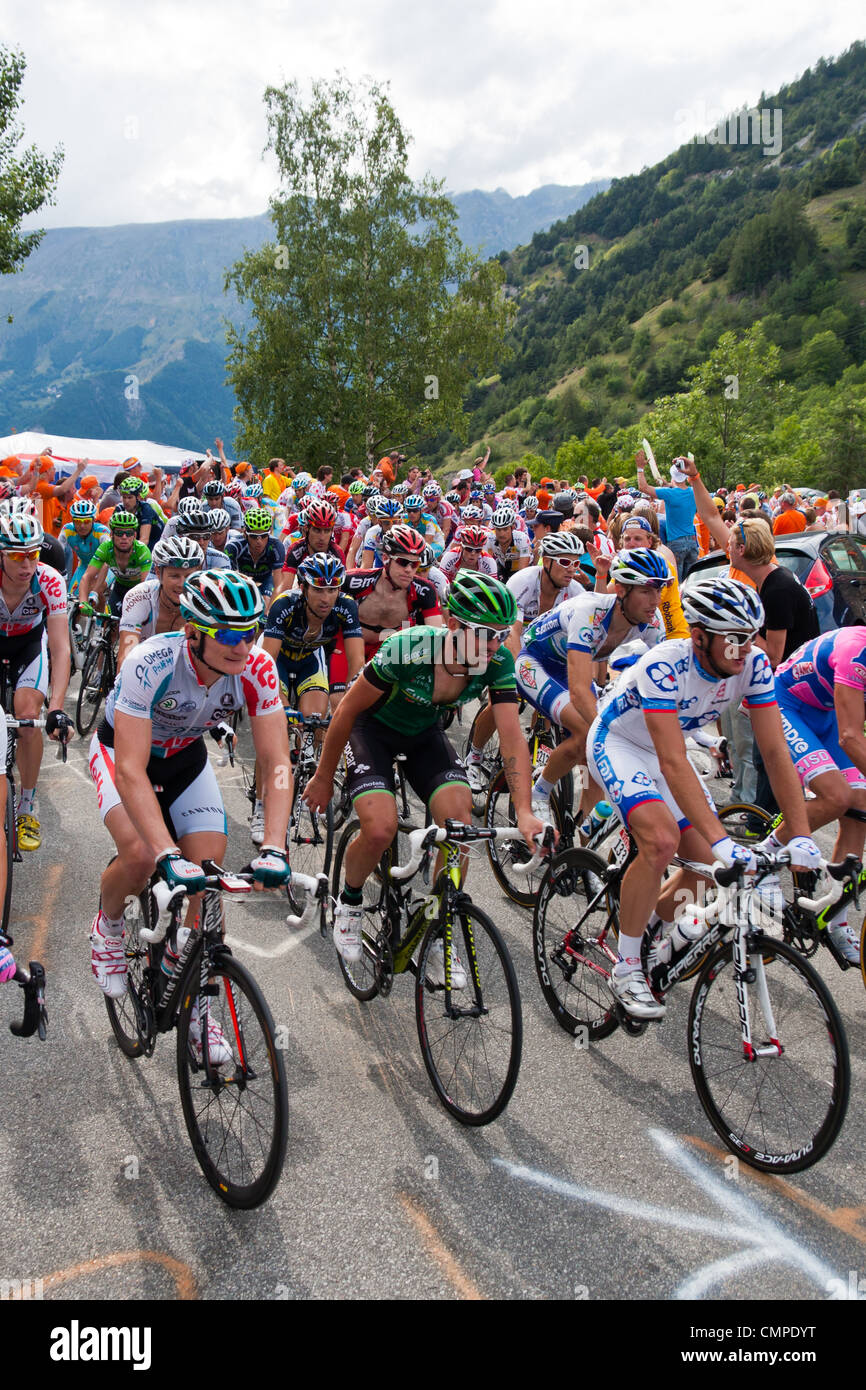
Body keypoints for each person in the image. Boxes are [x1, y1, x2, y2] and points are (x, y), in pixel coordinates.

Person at [587, 578, 819, 1020]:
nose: (746, 649)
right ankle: (627, 964)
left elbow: (774, 751)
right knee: (660, 841)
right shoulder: (665, 665)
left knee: (708, 871)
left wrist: (802, 832)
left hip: (661, 752)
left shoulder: (753, 664)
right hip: (619, 743)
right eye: (734, 639)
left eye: (751, 636)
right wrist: (722, 840)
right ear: (699, 637)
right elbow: (675, 763)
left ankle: (648, 928)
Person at [87, 571, 293, 1063]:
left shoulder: (257, 668)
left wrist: (274, 845)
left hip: (184, 760)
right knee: (140, 857)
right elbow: (132, 771)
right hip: (124, 754)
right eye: (226, 634)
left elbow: (278, 762)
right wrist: (165, 852)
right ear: (193, 631)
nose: (241, 646)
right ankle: (108, 926)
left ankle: (198, 1003)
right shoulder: (150, 662)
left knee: (208, 875)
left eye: (249, 632)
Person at [303, 571, 547, 972]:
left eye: (501, 634)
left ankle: (438, 929)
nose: (492, 645)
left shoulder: (497, 660)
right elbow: (346, 710)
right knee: (380, 828)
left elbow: (512, 737)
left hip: (422, 735)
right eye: (482, 633)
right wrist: (324, 776)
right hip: (371, 730)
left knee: (459, 828)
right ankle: (348, 900)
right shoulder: (408, 648)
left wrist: (523, 810)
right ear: (452, 623)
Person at [517, 548, 668, 819]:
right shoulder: (591, 611)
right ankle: (539, 791)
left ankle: (585, 839)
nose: (655, 600)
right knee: (590, 732)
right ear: (621, 590)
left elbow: (669, 678)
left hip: (570, 667)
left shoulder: (651, 620)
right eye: (646, 591)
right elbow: (577, 691)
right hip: (535, 662)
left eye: (659, 590)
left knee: (593, 754)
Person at [764, 627, 866, 963]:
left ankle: (834, 917)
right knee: (837, 797)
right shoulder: (857, 652)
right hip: (787, 705)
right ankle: (764, 859)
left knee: (860, 807)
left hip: (827, 715)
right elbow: (851, 737)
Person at [0, 510, 72, 850]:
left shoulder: (50, 580)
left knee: (28, 718)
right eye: (16, 555)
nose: (26, 563)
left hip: (29, 643)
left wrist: (56, 708)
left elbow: (60, 649)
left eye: (32, 554)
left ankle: (27, 805)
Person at [345, 524, 442, 658]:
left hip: (386, 647)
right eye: (402, 562)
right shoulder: (354, 579)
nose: (409, 569)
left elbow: (436, 636)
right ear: (385, 558)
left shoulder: (425, 590)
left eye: (414, 564)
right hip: (351, 640)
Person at [117, 536, 204, 666]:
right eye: (174, 576)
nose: (182, 584)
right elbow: (127, 656)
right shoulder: (140, 597)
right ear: (158, 573)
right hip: (142, 665)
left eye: (188, 576)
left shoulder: (204, 603)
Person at [78, 511, 152, 618]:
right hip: (119, 588)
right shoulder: (105, 548)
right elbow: (87, 577)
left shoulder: (142, 551)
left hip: (138, 589)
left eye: (129, 533)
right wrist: (83, 602)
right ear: (111, 534)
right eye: (119, 533)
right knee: (111, 622)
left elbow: (146, 586)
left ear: (135, 535)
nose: (124, 537)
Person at [635, 451, 698, 579]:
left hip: (676, 542)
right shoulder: (693, 491)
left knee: (677, 583)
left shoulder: (669, 494)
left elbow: (643, 487)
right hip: (692, 540)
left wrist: (640, 468)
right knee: (691, 581)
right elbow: (680, 490)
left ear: (672, 476)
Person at [224, 508, 286, 609]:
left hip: (267, 579)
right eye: (253, 536)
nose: (259, 541)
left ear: (269, 533)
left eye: (264, 535)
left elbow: (278, 584)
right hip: (242, 579)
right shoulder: (234, 546)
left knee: (267, 603)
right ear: (245, 533)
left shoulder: (276, 546)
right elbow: (228, 582)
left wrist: (268, 614)